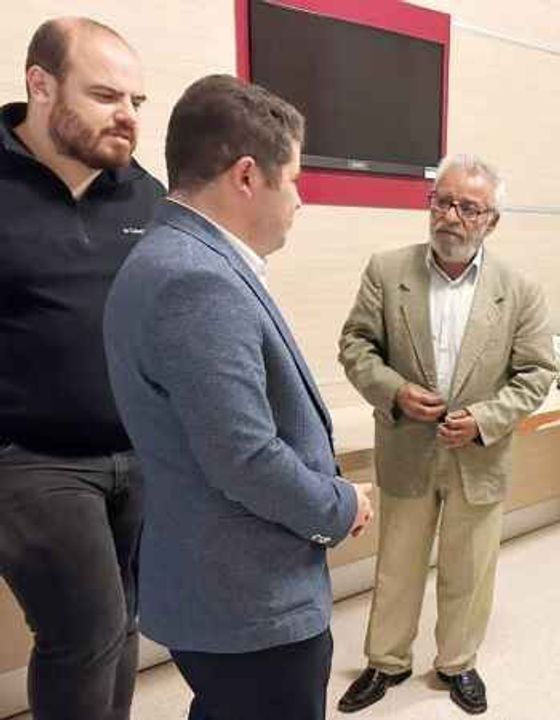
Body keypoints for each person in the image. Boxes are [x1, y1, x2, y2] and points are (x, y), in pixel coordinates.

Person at [102, 75, 373, 720]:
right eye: (295, 180)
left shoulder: (172, 257)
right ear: (247, 176)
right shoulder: (195, 279)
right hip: (249, 602)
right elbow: (243, 456)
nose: (301, 200)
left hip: (220, 587)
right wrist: (340, 506)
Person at [337, 154, 556, 714]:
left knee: (470, 567)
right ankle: (387, 661)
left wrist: (485, 419)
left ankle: (458, 663)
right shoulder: (387, 271)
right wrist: (394, 391)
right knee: (397, 565)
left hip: (479, 455)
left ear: (492, 221)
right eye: (443, 202)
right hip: (406, 446)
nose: (452, 217)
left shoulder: (520, 289)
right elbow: (356, 346)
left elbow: (537, 372)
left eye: (469, 208)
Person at [0, 18, 163, 720]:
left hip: (137, 450)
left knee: (124, 620)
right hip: (31, 457)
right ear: (40, 85)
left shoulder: (146, 195)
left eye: (135, 101)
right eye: (105, 96)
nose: (127, 116)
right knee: (87, 628)